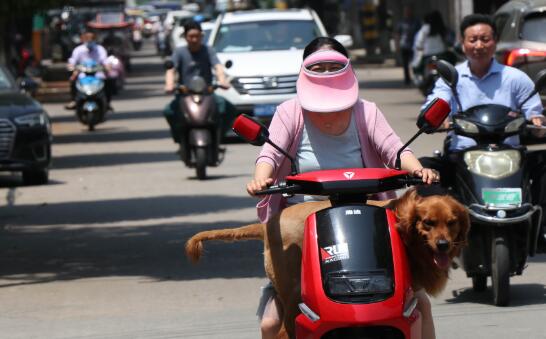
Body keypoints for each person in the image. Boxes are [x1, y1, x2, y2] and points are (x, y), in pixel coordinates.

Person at [247, 37, 440, 339]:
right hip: (301, 229)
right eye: (318, 67)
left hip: (368, 224)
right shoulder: (289, 111)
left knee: (419, 308)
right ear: (304, 71)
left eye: (333, 66)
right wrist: (261, 177)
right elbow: (268, 154)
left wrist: (417, 169)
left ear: (348, 69)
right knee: (271, 325)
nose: (326, 73)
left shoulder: (367, 111)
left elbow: (395, 149)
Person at [419, 14, 546, 249]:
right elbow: (436, 102)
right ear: (462, 42)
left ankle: (540, 229)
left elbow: (532, 110)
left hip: (510, 155)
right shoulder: (451, 78)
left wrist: (536, 121)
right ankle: (441, 230)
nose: (479, 45)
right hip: (462, 156)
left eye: (485, 39)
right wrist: (436, 118)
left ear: (495, 42)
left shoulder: (515, 78)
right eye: (473, 39)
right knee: (422, 170)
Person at [163, 20, 235, 145]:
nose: (194, 39)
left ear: (202, 36)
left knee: (228, 108)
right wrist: (169, 85)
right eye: (191, 36)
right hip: (184, 95)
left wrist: (222, 81)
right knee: (169, 111)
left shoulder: (208, 50)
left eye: (197, 36)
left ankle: (219, 136)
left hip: (207, 93)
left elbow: (218, 66)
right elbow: (171, 70)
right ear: (185, 37)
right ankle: (179, 138)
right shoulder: (179, 52)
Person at [65, 31, 113, 110]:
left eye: (91, 39)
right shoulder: (78, 50)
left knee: (109, 81)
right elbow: (72, 61)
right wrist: (71, 66)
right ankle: (74, 100)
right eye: (87, 39)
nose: (89, 41)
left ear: (95, 40)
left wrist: (108, 66)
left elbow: (105, 60)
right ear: (83, 40)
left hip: (98, 74)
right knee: (72, 81)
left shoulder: (100, 49)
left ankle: (107, 102)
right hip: (82, 74)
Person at [411, 10, 455, 76]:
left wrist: (420, 47)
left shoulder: (425, 28)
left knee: (418, 69)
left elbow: (419, 43)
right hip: (441, 55)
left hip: (428, 55)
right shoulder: (442, 28)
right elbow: (449, 41)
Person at [395, 5, 420, 85]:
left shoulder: (416, 22)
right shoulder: (401, 22)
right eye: (406, 11)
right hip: (404, 45)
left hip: (414, 45)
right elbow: (397, 34)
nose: (407, 13)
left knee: (414, 63)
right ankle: (407, 79)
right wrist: (397, 45)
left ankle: (416, 78)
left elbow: (420, 33)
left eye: (409, 11)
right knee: (405, 64)